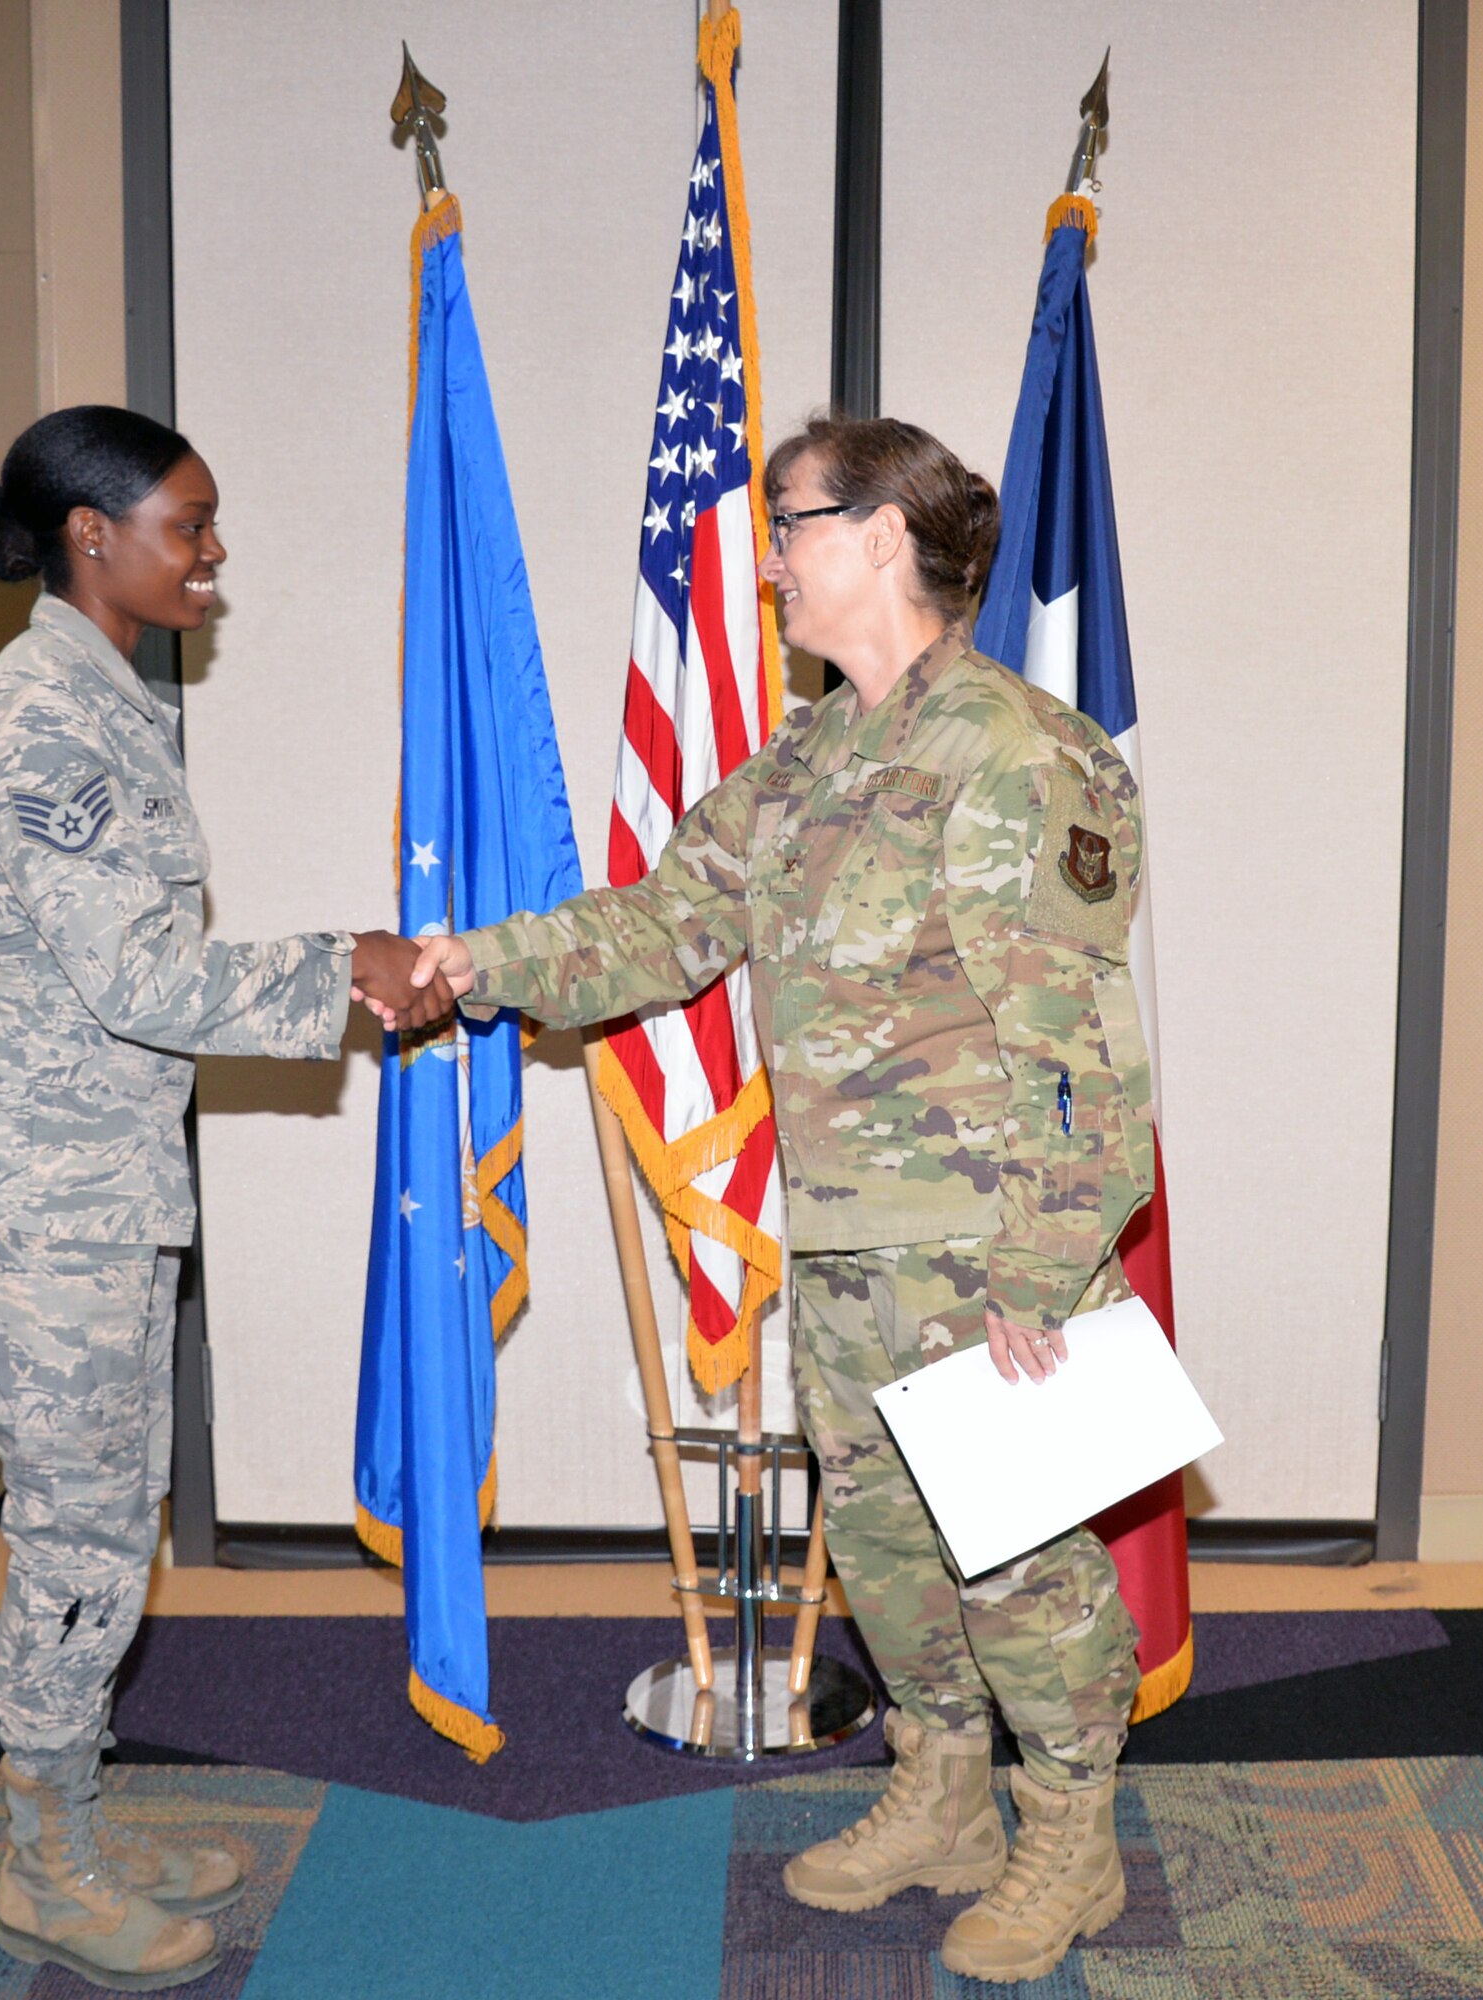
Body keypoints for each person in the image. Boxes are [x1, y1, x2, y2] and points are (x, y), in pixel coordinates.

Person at [382, 415, 1155, 1986]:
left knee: (1020, 1564)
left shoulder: (1017, 752)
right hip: (854, 1239)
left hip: (985, 1247)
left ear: (884, 536)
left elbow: (1080, 1054)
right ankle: (942, 1794)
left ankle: (1069, 1838)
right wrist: (477, 965)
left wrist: (1041, 1265)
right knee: (882, 1550)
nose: (767, 557)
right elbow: (659, 930)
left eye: (790, 523)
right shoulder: (801, 764)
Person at [0, 406, 447, 1991]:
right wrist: (347, 968)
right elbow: (137, 977)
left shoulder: (102, 693)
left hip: (86, 1179)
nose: (209, 555)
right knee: (76, 1538)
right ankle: (46, 1869)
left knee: (108, 1527)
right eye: (186, 525)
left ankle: (73, 1823)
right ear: (89, 536)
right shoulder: (43, 714)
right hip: (23, 1189)